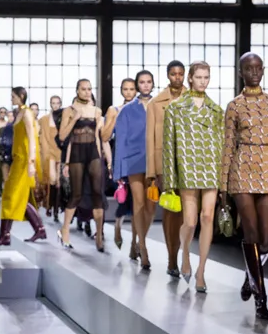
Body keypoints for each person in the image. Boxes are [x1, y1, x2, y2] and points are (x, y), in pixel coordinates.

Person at [221, 53, 268, 321]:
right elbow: (228, 145)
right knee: (251, 234)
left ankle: (250, 275)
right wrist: (223, 186)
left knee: (267, 240)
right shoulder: (234, 106)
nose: (254, 72)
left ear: (263, 70)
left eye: (258, 68)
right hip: (242, 169)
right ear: (241, 72)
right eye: (248, 68)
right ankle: (260, 298)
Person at [163, 62, 223, 293]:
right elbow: (168, 146)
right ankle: (186, 254)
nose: (203, 81)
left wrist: (224, 178)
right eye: (198, 77)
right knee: (190, 221)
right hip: (187, 167)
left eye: (206, 77)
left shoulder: (217, 110)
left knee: (207, 217)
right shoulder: (175, 108)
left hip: (210, 166)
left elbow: (223, 144)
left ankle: (201, 271)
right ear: (190, 78)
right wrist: (169, 182)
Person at [104, 74, 154, 265]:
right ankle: (143, 247)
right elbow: (119, 140)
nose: (145, 85)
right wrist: (117, 169)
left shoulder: (158, 106)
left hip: (153, 160)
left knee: (150, 206)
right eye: (141, 82)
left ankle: (135, 242)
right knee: (139, 204)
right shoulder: (125, 110)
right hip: (134, 160)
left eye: (148, 82)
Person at [0, 87, 47, 246]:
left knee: (10, 195)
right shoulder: (19, 112)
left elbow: (32, 138)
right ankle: (36, 229)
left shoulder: (27, 113)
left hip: (24, 160)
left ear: (21, 96)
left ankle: (5, 235)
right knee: (16, 196)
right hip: (17, 159)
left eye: (13, 96)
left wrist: (31, 163)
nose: (11, 98)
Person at [147, 61, 188, 277]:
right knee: (170, 211)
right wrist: (152, 173)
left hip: (190, 163)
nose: (177, 77)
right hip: (165, 163)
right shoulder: (156, 103)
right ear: (168, 75)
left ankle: (181, 256)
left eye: (181, 74)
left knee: (185, 214)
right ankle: (172, 257)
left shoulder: (194, 100)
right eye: (173, 74)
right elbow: (150, 138)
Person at [57, 80, 108, 251]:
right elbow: (63, 137)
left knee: (97, 193)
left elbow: (97, 138)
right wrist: (75, 119)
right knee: (76, 194)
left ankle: (99, 235)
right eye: (83, 89)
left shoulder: (97, 111)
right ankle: (65, 230)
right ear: (77, 90)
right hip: (77, 153)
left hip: (93, 152)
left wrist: (104, 161)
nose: (87, 92)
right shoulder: (69, 111)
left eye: (89, 89)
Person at [39, 95, 64, 222]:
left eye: (57, 103)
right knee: (52, 180)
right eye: (53, 103)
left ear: (60, 104)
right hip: (49, 152)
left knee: (59, 181)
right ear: (50, 104)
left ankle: (55, 210)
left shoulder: (64, 118)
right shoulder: (44, 120)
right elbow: (39, 134)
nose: (55, 105)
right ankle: (51, 206)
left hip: (60, 151)